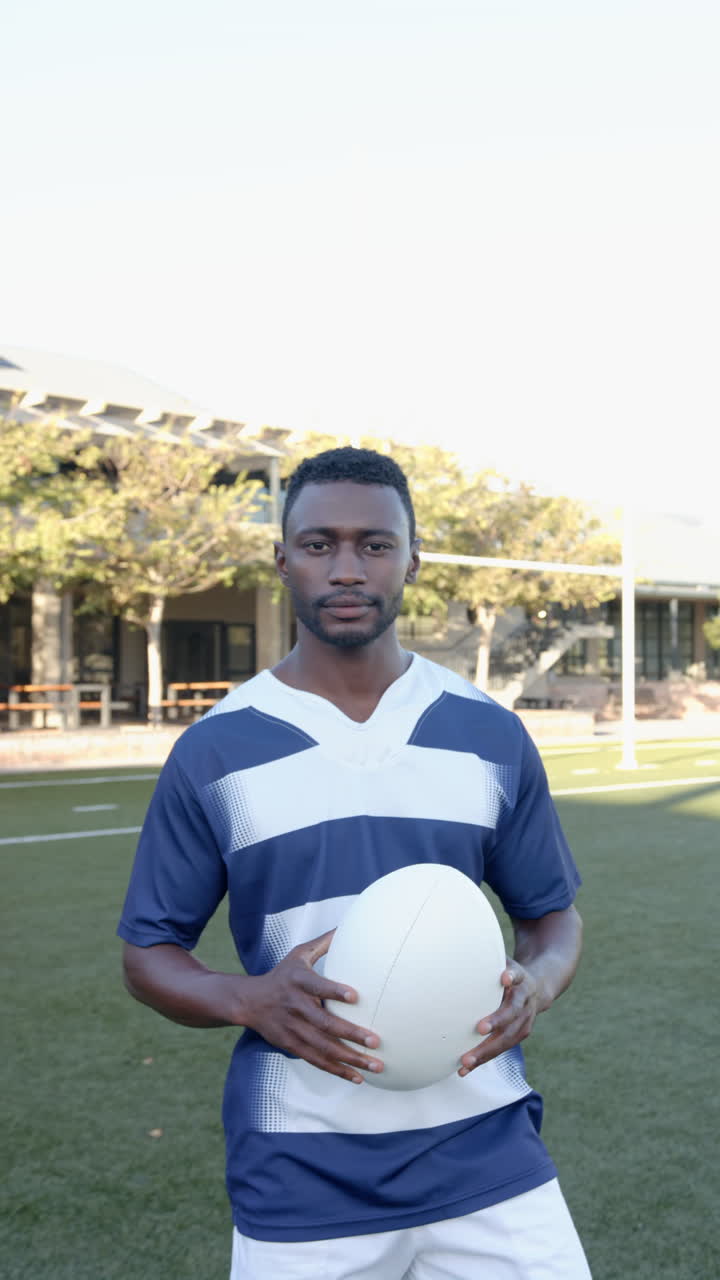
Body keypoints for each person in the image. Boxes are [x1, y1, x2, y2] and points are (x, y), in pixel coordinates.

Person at [118, 446, 592, 1279]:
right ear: (282, 560)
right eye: (318, 544)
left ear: (414, 559)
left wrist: (539, 984)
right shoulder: (216, 749)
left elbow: (551, 917)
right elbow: (148, 953)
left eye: (374, 545)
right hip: (300, 1170)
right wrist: (249, 998)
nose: (346, 568)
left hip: (487, 1151)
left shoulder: (489, 733)